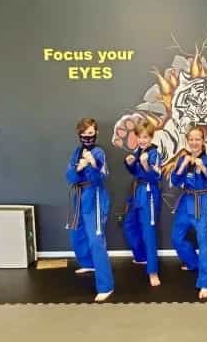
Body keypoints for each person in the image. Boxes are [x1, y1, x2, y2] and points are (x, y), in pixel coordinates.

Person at [66, 118, 114, 302]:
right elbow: (70, 176)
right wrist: (80, 166)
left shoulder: (99, 152)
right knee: (76, 234)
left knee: (95, 239)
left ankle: (106, 286)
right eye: (84, 133)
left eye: (91, 133)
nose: (87, 136)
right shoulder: (77, 151)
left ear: (96, 133)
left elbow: (102, 177)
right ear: (79, 135)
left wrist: (93, 163)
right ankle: (88, 263)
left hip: (95, 197)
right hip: (79, 196)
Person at [171, 126, 207, 299]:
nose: (194, 142)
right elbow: (175, 180)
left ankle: (204, 283)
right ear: (187, 141)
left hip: (202, 202)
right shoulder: (182, 159)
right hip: (186, 202)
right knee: (176, 238)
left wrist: (203, 167)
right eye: (191, 139)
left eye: (197, 139)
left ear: (203, 141)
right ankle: (193, 263)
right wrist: (183, 164)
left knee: (203, 241)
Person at [123, 121, 162, 287]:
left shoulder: (153, 154)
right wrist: (130, 163)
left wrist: (146, 164)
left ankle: (153, 272)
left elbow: (155, 178)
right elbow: (133, 172)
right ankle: (141, 257)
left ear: (151, 137)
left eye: (145, 137)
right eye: (139, 137)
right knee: (129, 226)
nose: (142, 140)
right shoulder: (138, 151)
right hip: (136, 192)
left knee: (148, 232)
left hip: (148, 194)